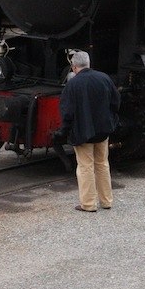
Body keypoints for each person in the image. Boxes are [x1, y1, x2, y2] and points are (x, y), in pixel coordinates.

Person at [57, 50, 120, 212]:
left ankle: (88, 204)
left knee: (85, 167)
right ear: (89, 63)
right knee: (102, 164)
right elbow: (116, 102)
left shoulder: (72, 85)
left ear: (74, 67)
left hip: (82, 132)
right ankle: (106, 201)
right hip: (103, 130)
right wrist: (111, 121)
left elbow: (67, 113)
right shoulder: (104, 78)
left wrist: (63, 132)